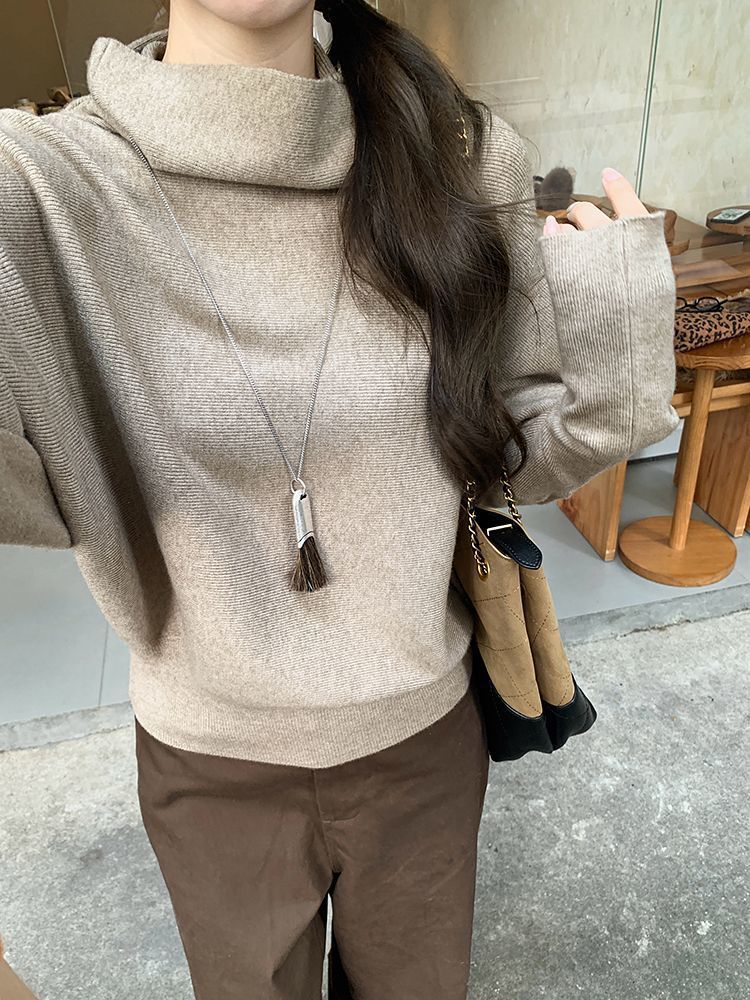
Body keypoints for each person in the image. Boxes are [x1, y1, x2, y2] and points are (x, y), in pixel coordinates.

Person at [0, 1, 680, 997]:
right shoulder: (42, 188)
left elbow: (514, 460)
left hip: (425, 742)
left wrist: (610, 352)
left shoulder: (455, 156)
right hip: (208, 765)